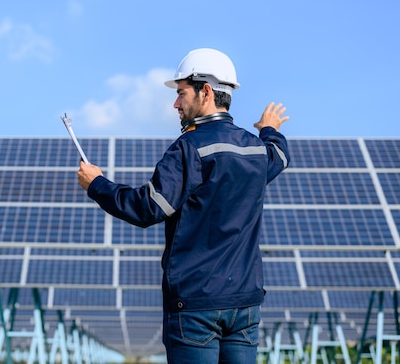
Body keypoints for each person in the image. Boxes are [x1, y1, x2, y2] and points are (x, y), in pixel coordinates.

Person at [77, 48, 290, 363]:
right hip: (245, 304)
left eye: (181, 94)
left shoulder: (189, 149)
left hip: (196, 306)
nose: (176, 104)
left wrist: (97, 185)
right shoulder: (256, 151)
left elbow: (148, 207)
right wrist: (269, 129)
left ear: (205, 92)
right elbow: (280, 155)